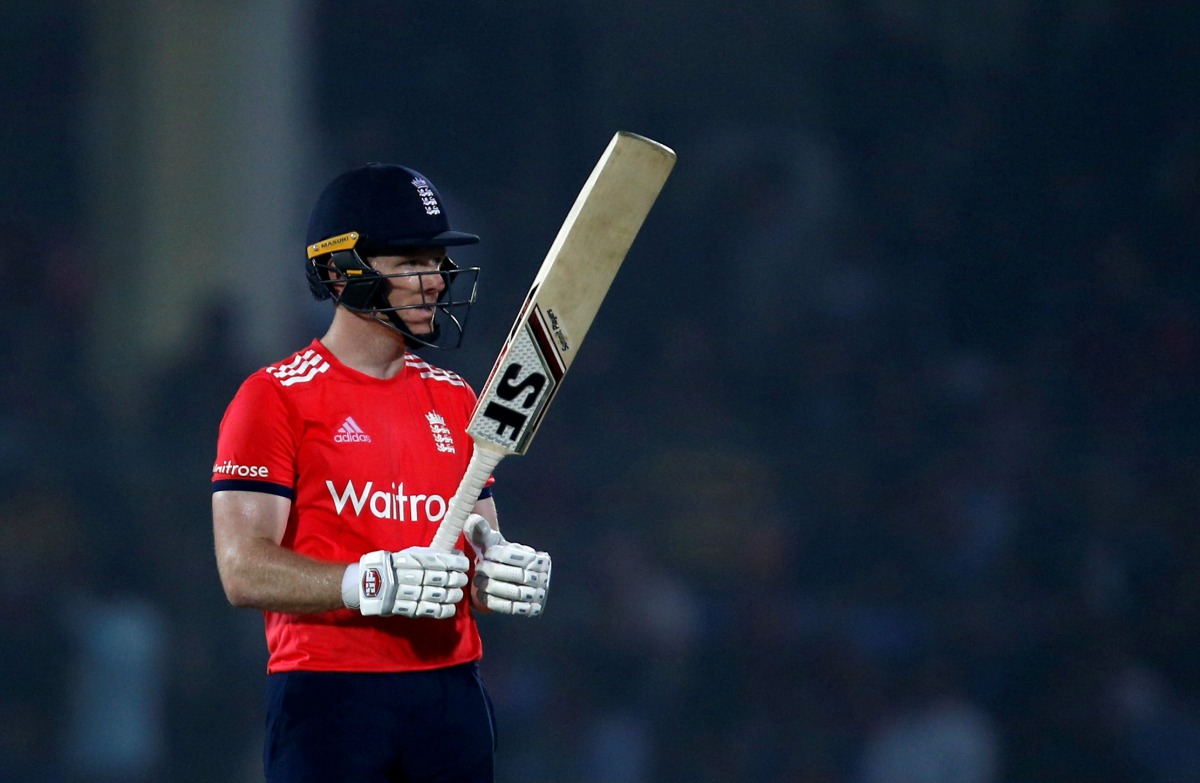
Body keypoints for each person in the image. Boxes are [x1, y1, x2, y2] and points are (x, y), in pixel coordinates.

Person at [211, 162, 552, 783]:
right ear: (340, 272)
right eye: (411, 262)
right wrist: (364, 582)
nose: (436, 281)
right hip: (330, 695)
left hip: (451, 691)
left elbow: (475, 552)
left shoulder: (456, 397)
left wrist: (499, 570)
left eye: (438, 261)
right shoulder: (275, 397)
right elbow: (241, 570)